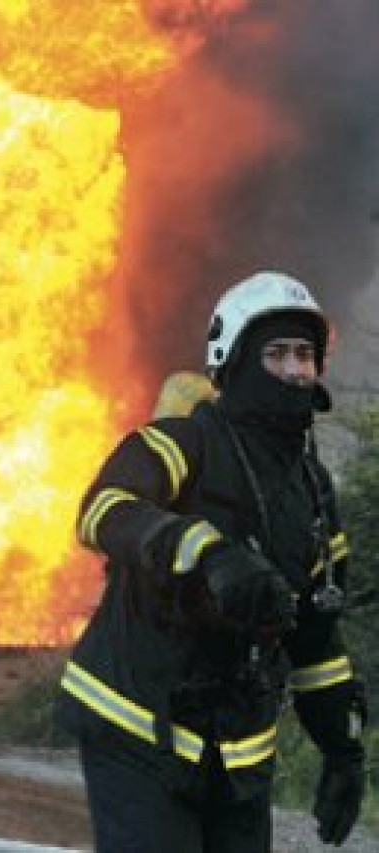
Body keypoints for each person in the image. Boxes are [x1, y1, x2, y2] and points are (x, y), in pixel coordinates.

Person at [56, 270, 367, 851]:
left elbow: (316, 641)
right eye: (277, 353)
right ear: (236, 361)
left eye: (305, 355)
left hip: (237, 754)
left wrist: (341, 749)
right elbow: (103, 510)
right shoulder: (181, 443)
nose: (295, 370)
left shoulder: (314, 492)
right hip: (137, 727)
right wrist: (206, 552)